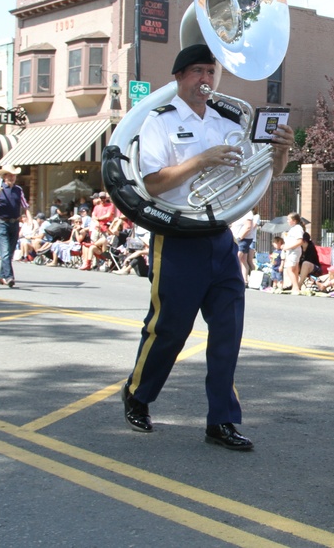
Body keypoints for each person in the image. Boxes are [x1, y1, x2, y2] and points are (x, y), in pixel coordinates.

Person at [121, 44, 294, 450]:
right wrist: (201, 160)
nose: (206, 79)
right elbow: (152, 183)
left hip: (219, 236)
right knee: (169, 330)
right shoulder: (158, 122)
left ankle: (222, 420)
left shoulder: (223, 121)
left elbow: (267, 170)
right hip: (178, 235)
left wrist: (281, 149)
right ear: (179, 77)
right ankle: (138, 394)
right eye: (197, 71)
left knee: (228, 333)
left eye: (210, 72)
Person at [0, 165, 27, 287]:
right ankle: (9, 277)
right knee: (4, 251)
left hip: (14, 222)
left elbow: (24, 205)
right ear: (4, 177)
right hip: (1, 222)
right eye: (9, 175)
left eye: (13, 175)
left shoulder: (18, 190)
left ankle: (1, 276)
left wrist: (28, 217)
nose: (12, 177)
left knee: (9, 252)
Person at [280, 212, 305, 295]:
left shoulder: (297, 228)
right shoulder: (294, 228)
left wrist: (288, 247)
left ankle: (296, 287)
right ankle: (295, 287)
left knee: (289, 269)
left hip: (293, 251)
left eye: (289, 219)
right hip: (292, 251)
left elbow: (300, 241)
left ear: (294, 221)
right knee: (295, 269)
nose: (287, 221)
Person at [232, 209, 258, 284]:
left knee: (235, 258)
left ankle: (235, 278)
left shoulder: (247, 213)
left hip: (243, 239)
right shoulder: (238, 211)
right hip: (238, 238)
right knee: (243, 260)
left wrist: (239, 238)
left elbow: (248, 227)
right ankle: (244, 280)